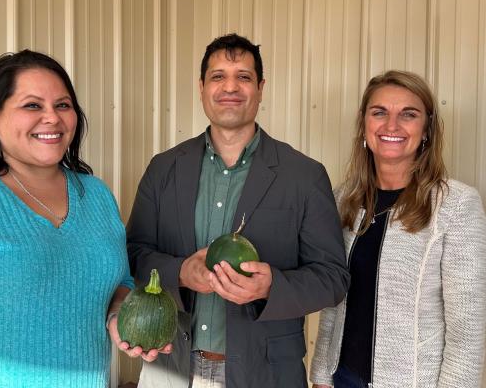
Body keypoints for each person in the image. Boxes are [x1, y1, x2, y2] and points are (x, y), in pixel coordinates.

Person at [114, 33, 350, 388]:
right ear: (201, 87)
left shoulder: (304, 175)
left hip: (266, 374)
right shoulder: (164, 169)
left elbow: (333, 279)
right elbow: (132, 256)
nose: (230, 87)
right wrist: (180, 272)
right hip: (170, 369)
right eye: (218, 76)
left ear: (260, 88)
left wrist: (273, 286)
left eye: (243, 76)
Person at [0, 50, 134, 387]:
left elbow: (120, 282)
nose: (52, 118)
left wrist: (120, 313)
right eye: (32, 105)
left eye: (63, 105)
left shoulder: (96, 196)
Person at [310, 70, 486, 387]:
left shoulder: (457, 205)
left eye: (408, 114)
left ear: (426, 129)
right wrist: (322, 375)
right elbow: (334, 303)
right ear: (364, 124)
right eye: (380, 113)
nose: (392, 126)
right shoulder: (343, 200)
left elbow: (467, 331)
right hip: (343, 378)